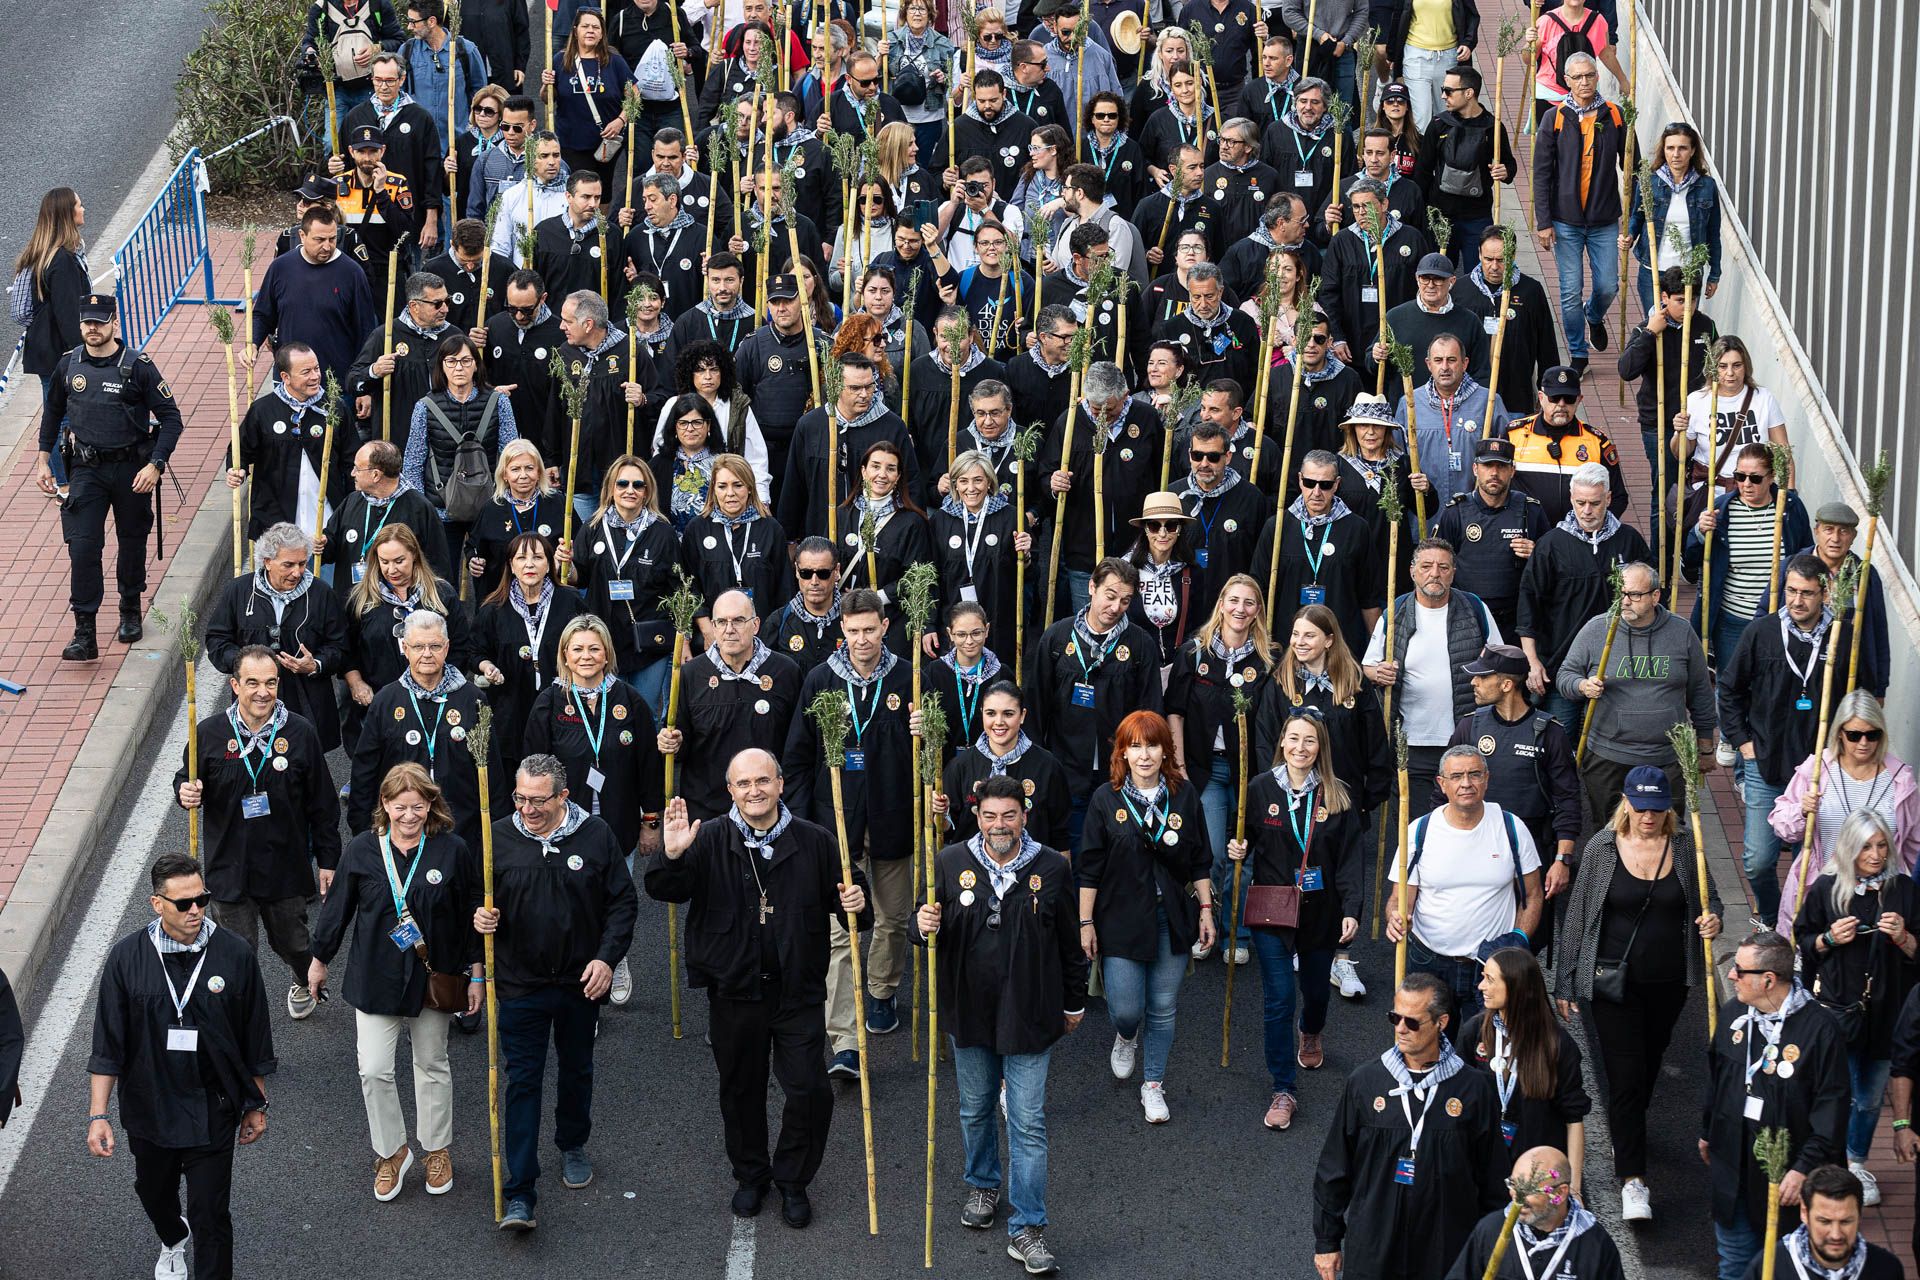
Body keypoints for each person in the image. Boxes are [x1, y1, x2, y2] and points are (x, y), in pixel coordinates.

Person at [648, 751, 869, 1226]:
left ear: (781, 784)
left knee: (810, 1091)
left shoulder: (815, 840)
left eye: (763, 781)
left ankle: (793, 1180)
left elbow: (854, 904)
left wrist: (857, 899)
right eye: (743, 783)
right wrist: (671, 853)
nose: (754, 791)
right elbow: (666, 889)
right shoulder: (705, 839)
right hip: (733, 990)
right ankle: (751, 1176)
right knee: (741, 1090)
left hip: (797, 991)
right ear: (730, 790)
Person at [913, 773, 1087, 1275]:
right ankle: (984, 1186)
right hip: (969, 1010)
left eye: (1009, 815)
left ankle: (1027, 1226)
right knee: (975, 1109)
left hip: (1031, 1013)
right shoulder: (949, 863)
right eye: (990, 815)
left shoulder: (1051, 867)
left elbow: (1069, 942)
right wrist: (918, 926)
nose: (999, 824)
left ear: (1024, 816)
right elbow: (922, 930)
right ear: (977, 816)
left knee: (1028, 1123)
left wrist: (1073, 1002)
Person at [88, 854, 274, 1280]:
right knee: (153, 1191)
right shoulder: (126, 958)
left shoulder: (235, 954)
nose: (196, 910)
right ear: (157, 904)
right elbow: (108, 1044)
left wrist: (256, 1104)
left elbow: (255, 1036)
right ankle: (172, 1236)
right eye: (184, 903)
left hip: (213, 1105)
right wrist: (98, 1114)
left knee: (211, 1214)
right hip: (149, 1106)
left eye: (202, 899)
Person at [472, 753, 637, 1230]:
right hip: (519, 984)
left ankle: (572, 1142)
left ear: (564, 796)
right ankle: (520, 1191)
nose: (527, 809)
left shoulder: (596, 835)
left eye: (539, 800)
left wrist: (606, 958)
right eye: (520, 798)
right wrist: (479, 921)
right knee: (522, 1081)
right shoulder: (497, 836)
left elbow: (623, 904)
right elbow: (475, 900)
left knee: (576, 1067)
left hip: (579, 983)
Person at [308, 763, 480, 1201]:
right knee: (374, 1069)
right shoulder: (363, 850)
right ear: (384, 804)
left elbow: (470, 915)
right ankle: (392, 1151)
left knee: (432, 1064)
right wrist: (318, 959)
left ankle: (436, 1150)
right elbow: (338, 908)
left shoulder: (453, 850)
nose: (408, 816)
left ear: (431, 805)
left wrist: (477, 973)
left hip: (432, 977)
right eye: (400, 806)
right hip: (376, 977)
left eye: (418, 807)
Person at [1555, 769, 1721, 1221]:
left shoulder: (1687, 847)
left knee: (1646, 1070)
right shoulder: (1601, 849)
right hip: (1613, 986)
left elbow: (1711, 902)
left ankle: (1626, 1131)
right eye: (1640, 806)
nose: (1648, 816)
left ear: (1669, 808)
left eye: (1657, 807)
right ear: (1625, 803)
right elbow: (1578, 916)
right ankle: (1633, 1180)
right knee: (1625, 1076)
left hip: (1669, 985)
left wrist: (1714, 921)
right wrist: (1565, 981)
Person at [781, 588, 920, 1075]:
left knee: (894, 917)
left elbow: (944, 751)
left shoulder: (912, 678)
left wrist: (926, 732)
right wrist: (800, 820)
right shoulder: (821, 679)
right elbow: (798, 755)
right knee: (842, 934)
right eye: (853, 630)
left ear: (885, 627)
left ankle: (882, 988)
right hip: (835, 822)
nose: (862, 639)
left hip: (893, 817)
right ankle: (843, 1038)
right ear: (842, 630)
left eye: (870, 629)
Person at [174, 643, 340, 1025]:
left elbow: (323, 804)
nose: (262, 692)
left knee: (294, 944)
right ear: (234, 685)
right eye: (252, 683)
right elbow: (185, 778)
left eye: (270, 682)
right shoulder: (209, 734)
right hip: (229, 868)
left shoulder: (300, 733)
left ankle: (304, 978)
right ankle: (244, 1018)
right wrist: (185, 791)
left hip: (285, 866)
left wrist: (328, 860)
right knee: (237, 952)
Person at [1313, 972, 1508, 1280]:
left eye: (1412, 1022)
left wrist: (1491, 1248)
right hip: (1375, 1243)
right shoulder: (1365, 1083)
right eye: (1395, 1017)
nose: (1400, 1029)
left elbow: (1493, 1179)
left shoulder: (1474, 1089)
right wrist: (1327, 1241)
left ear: (1441, 1022)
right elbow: (1335, 1168)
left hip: (1446, 1245)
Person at [1228, 708, 1363, 1129]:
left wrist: (1352, 910)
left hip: (1320, 913)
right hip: (1271, 911)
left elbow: (1350, 861)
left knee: (1316, 994)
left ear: (1320, 747)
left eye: (1309, 740)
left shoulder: (1338, 796)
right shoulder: (1259, 787)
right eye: (1293, 738)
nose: (1300, 747)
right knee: (1279, 998)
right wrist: (1237, 851)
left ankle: (1312, 1029)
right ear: (1281, 742)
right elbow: (1245, 841)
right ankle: (1283, 1088)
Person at [1077, 711, 1214, 1123]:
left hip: (1169, 916)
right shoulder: (1106, 798)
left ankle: (1153, 1084)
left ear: (1165, 750)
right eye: (1134, 746)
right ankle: (1125, 1036)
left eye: (1152, 745)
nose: (1144, 754)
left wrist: (1206, 909)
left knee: (1163, 1005)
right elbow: (1089, 867)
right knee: (1126, 1009)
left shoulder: (1185, 795)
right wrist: (1085, 922)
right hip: (1119, 918)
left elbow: (1200, 859)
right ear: (1122, 752)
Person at [35, 293, 183, 659]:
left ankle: (130, 607)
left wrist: (156, 464)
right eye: (87, 321)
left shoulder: (138, 366)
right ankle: (84, 632)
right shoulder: (69, 365)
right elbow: (52, 414)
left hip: (132, 469)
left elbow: (170, 419)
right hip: (86, 469)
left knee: (131, 539)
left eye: (100, 321)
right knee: (83, 547)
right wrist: (43, 461)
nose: (92, 328)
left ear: (114, 322)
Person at [1722, 557, 1869, 924]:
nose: (1797, 600)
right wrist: (1743, 742)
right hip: (1767, 764)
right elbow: (1729, 689)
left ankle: (1805, 925)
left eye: (1807, 593)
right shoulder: (1762, 632)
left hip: (1824, 770)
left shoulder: (1843, 636)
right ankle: (1771, 917)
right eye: (1791, 591)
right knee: (1757, 861)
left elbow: (1859, 697)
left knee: (1821, 858)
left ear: (1824, 593)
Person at [524, 615, 662, 1006]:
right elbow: (533, 765)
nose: (586, 656)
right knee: (574, 902)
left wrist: (651, 821)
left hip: (617, 822)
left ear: (607, 655)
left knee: (615, 896)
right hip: (565, 825)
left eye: (594, 649)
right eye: (578, 649)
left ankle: (613, 960)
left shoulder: (629, 700)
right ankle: (581, 977)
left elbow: (649, 767)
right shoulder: (550, 702)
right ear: (565, 655)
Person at [1704, 931, 1851, 1280]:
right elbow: (1716, 1075)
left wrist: (1803, 1168)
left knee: (1789, 1269)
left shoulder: (1821, 1030)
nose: (1731, 975)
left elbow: (1832, 1110)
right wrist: (1708, 1131)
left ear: (1769, 980)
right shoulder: (1733, 1014)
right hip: (1734, 1170)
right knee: (1735, 1266)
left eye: (1740, 970)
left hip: (1790, 1180)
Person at [1792, 809, 1918, 1205]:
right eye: (1866, 846)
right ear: (1850, 847)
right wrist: (1828, 938)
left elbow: (1919, 955)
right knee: (1838, 1093)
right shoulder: (1827, 888)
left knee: (1868, 1097)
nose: (1876, 855)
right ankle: (1832, 1164)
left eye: (1882, 845)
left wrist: (1904, 938)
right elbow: (1804, 943)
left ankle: (1858, 1161)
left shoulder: (1904, 891)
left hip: (1889, 1013)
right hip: (1838, 1009)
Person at [1387, 745, 1543, 1021]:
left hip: (1491, 968)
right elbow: (1400, 900)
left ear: (1487, 779)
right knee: (1428, 1051)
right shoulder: (1418, 832)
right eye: (1457, 776)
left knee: (1486, 1053)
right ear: (1442, 784)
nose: (1466, 784)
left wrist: (1517, 941)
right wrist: (1396, 918)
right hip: (1428, 962)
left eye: (1474, 774)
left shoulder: (1512, 828)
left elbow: (1532, 895)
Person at [1557, 559, 1716, 822]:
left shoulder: (1681, 632)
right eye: (1621, 593)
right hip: (1608, 756)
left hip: (1668, 757)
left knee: (1666, 830)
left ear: (1655, 596)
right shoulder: (1598, 628)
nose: (1625, 601)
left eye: (1634, 594)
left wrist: (1706, 747)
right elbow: (1565, 676)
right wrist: (1582, 685)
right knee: (1606, 831)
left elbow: (1700, 693)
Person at [1166, 576, 1274, 961]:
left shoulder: (1266, 659)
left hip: (1249, 771)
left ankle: (1237, 936)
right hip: (1204, 767)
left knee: (1241, 854)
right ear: (1221, 604)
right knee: (1211, 852)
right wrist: (1177, 762)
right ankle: (1205, 926)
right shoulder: (1194, 652)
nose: (1240, 609)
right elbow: (1174, 709)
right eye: (1234, 601)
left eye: (1249, 602)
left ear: (1257, 610)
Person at [1027, 558, 1166, 842]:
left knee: (1117, 848)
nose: (1116, 608)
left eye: (1126, 601)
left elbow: (1150, 713)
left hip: (1119, 772)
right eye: (1110, 596)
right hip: (1066, 768)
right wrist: (1039, 766)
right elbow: (1036, 707)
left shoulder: (1140, 644)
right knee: (1070, 845)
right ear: (1092, 587)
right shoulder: (1057, 637)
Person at [349, 610, 505, 858]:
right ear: (405, 648)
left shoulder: (473, 699)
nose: (427, 654)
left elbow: (491, 770)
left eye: (434, 646)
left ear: (447, 648)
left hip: (462, 830)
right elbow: (365, 770)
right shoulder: (386, 701)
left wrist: (495, 830)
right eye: (418, 646)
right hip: (401, 830)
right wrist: (361, 830)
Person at [1363, 539, 1500, 806]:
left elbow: (1498, 664)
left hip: (1465, 737)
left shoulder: (1474, 608)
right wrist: (1379, 673)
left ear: (1453, 572)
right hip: (1411, 741)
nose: (1435, 573)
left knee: (1465, 817)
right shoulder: (1395, 613)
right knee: (1416, 823)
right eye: (1426, 566)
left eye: (1443, 567)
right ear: (1413, 571)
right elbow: (1368, 666)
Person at [1447, 644, 1580, 917]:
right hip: (1475, 846)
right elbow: (1443, 792)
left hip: (1531, 848)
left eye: (1482, 677)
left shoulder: (1550, 732)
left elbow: (1567, 800)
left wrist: (1562, 859)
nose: (1474, 682)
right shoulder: (1469, 726)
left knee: (1528, 934)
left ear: (1507, 684)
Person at [1772, 692, 1920, 932]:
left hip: (1879, 899)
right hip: (1822, 891)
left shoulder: (1901, 781)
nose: (1863, 743)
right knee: (1816, 958)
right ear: (1840, 732)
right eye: (1854, 735)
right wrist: (1802, 811)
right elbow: (1782, 826)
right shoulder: (1817, 769)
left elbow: (1914, 845)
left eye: (1872, 735)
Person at [203, 524, 350, 754]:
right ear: (267, 562)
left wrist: (316, 664)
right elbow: (216, 640)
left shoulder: (322, 594)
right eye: (288, 565)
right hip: (254, 703)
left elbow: (340, 646)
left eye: (302, 563)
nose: (297, 572)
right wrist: (245, 665)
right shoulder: (238, 591)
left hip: (307, 702)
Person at [657, 591, 804, 820]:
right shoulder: (689, 675)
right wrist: (671, 743)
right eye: (721, 622)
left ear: (755, 625)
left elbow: (797, 748)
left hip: (768, 809)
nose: (729, 629)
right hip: (707, 812)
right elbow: (679, 745)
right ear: (713, 628)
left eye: (738, 620)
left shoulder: (786, 672)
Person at [1458, 949, 1589, 1187]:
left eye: (1489, 979)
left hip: (1537, 1177)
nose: (1480, 986)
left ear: (1517, 987)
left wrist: (1575, 1187)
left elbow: (1574, 1119)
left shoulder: (1558, 1046)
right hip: (1482, 1170)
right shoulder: (1474, 1031)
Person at [1531, 53, 1626, 378]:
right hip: (1565, 221)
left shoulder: (1614, 115)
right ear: (1566, 81)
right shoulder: (1554, 118)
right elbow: (1541, 172)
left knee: (1608, 285)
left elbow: (1632, 162)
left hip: (1604, 220)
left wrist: (1640, 210)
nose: (1585, 82)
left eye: (1589, 75)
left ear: (1597, 77)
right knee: (1570, 289)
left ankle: (1595, 315)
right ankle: (1577, 351)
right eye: (1578, 77)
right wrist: (1543, 222)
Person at [1684, 442, 1811, 670]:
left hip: (1779, 618)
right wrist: (1699, 532)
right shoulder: (1722, 509)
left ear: (1771, 477)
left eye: (1755, 478)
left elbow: (1806, 557)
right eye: (1740, 476)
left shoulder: (1790, 508)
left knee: (1772, 684)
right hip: (1733, 619)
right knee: (1731, 686)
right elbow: (1690, 561)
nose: (1746, 484)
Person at [471, 532, 583, 771]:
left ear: (549, 564)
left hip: (563, 705)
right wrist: (486, 667)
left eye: (537, 557)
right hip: (511, 708)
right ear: (511, 565)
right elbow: (474, 651)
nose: (529, 564)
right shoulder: (493, 609)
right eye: (521, 558)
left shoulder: (570, 602)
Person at [226, 343, 352, 547]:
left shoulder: (334, 407)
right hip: (275, 526)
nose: (315, 376)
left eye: (316, 368)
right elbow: (241, 450)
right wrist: (236, 470)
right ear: (285, 377)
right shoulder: (263, 410)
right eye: (306, 372)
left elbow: (351, 458)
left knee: (325, 579)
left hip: (325, 526)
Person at [1444, 1145, 1628, 1280]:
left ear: (1561, 1192)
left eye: (1529, 1190)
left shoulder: (1596, 1244)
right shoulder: (1490, 1230)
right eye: (1513, 1185)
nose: (1517, 1198)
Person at [252, 204, 378, 391]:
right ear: (302, 236)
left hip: (335, 382)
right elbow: (263, 314)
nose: (327, 246)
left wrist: (364, 387)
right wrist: (253, 343)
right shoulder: (280, 268)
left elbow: (366, 330)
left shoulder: (352, 273)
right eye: (319, 239)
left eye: (332, 239)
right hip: (289, 380)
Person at [17, 187, 91, 494]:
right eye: (78, 204)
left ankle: (66, 478)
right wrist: (85, 353)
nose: (83, 208)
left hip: (47, 351)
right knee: (59, 417)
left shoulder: (49, 254)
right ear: (67, 214)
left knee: (57, 412)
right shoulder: (62, 261)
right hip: (61, 353)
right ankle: (64, 484)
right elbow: (68, 314)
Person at [1616, 265, 1718, 486]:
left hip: (1696, 421)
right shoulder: (1647, 329)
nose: (1688, 307)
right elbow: (1626, 370)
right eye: (1680, 300)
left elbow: (1716, 369)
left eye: (1692, 300)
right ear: (1664, 297)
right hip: (1659, 423)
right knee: (1665, 491)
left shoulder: (1705, 326)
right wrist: (1651, 333)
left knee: (1696, 486)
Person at [1433, 439, 1546, 637]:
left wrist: (1537, 553)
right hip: (1467, 615)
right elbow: (1437, 564)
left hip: (1517, 618)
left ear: (1512, 471)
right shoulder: (1456, 512)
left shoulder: (1531, 510)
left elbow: (1552, 564)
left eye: (1501, 466)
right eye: (1487, 465)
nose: (1494, 473)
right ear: (1475, 469)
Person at [322, 438, 455, 594]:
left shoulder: (420, 509)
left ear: (376, 475)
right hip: (350, 606)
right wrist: (322, 544)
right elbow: (331, 546)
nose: (352, 473)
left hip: (396, 611)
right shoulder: (352, 501)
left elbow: (437, 567)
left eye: (357, 468)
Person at [338, 64, 443, 256]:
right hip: (362, 225)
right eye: (378, 80)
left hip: (406, 220)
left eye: (390, 81)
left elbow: (433, 170)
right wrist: (335, 165)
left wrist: (431, 220)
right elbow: (345, 165)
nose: (383, 86)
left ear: (401, 80)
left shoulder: (420, 117)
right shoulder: (355, 116)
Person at [349, 271, 461, 447]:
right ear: (414, 306)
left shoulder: (454, 336)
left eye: (447, 301)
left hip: (445, 439)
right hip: (399, 440)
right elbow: (353, 380)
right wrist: (374, 371)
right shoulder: (385, 336)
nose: (445, 309)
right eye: (437, 304)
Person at [1457, 226, 1558, 420]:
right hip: (1469, 397)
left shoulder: (1531, 291)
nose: (1494, 267)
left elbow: (1546, 347)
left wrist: (1547, 391)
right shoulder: (1461, 291)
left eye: (1501, 260)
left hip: (1516, 396)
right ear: (1479, 254)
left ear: (1512, 256)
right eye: (1488, 259)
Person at [1623, 120, 1723, 312]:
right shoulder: (1649, 182)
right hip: (1652, 271)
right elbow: (1637, 217)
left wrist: (1714, 274)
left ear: (1692, 151)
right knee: (1655, 327)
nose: (1676, 154)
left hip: (1688, 272)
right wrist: (1629, 236)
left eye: (1682, 148)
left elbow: (1713, 233)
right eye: (1670, 148)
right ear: (1664, 150)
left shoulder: (1707, 186)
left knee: (1682, 331)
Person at [1738, 1165, 1905, 1280]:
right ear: (1804, 1212)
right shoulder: (1771, 1266)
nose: (1836, 1234)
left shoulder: (1886, 1268)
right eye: (1824, 1221)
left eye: (1846, 1221)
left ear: (1860, 1215)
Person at [1401, 333, 1508, 510]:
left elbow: (1506, 457)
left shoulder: (1488, 402)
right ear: (1428, 364)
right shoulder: (1410, 403)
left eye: (1451, 360)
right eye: (1438, 360)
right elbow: (1399, 459)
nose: (1444, 367)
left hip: (1476, 513)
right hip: (1425, 515)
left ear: (1464, 363)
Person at [1414, 66, 1512, 243]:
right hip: (1440, 214)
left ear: (1469, 93)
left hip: (1477, 216)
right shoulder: (1438, 124)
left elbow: (1509, 165)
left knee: (1477, 269)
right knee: (1438, 270)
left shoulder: (1493, 127)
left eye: (1449, 91)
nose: (1443, 96)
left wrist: (1504, 172)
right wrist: (1423, 210)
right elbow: (1423, 170)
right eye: (1443, 90)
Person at [540, 7, 634, 182]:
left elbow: (634, 95)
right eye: (585, 26)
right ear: (576, 31)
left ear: (602, 34)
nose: (590, 30)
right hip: (571, 141)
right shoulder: (561, 60)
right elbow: (547, 99)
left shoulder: (615, 61)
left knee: (603, 191)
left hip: (606, 141)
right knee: (580, 188)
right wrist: (546, 85)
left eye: (596, 27)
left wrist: (621, 121)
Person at [466, 439, 566, 599]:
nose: (523, 475)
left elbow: (578, 546)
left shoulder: (558, 503)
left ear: (539, 471)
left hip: (552, 596)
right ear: (504, 474)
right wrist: (473, 561)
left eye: (529, 468)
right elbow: (474, 547)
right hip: (502, 598)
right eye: (515, 469)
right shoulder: (491, 509)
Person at [422, 215, 516, 335]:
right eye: (464, 261)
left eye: (477, 261)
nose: (470, 266)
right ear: (452, 245)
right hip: (449, 348)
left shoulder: (505, 269)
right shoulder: (433, 270)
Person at [765, 537, 845, 674]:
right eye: (806, 573)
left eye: (823, 574)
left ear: (836, 571)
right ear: (796, 570)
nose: (814, 581)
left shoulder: (853, 620)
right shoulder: (778, 622)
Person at [489, 132, 571, 266]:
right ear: (530, 158)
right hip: (523, 276)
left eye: (556, 155)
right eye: (543, 156)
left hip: (561, 275)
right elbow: (499, 246)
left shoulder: (571, 196)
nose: (551, 162)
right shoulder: (512, 196)